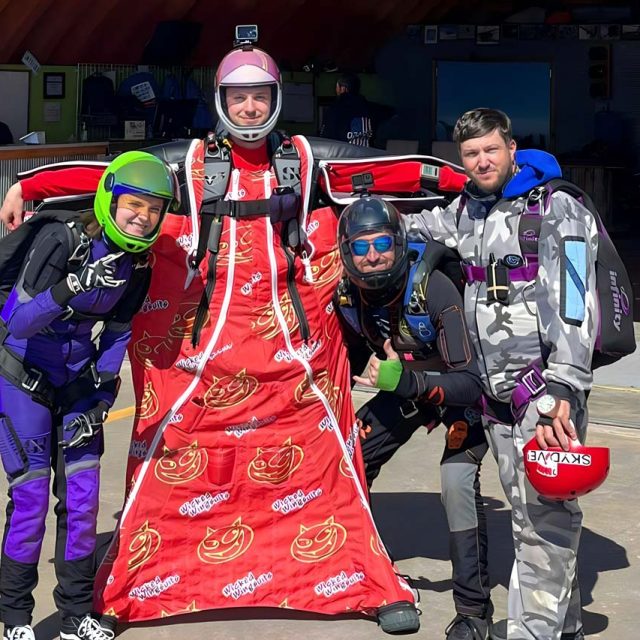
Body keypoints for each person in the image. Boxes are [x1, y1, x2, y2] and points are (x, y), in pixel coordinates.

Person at [0, 40, 422, 634]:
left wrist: (488, 179)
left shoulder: (303, 162)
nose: (249, 108)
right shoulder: (193, 163)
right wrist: (33, 184)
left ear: (275, 100)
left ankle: (361, 577)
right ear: (222, 101)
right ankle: (131, 585)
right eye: (238, 97)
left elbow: (389, 172)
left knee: (329, 459)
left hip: (292, 353)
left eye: (259, 96)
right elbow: (115, 174)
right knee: (164, 457)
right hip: (200, 353)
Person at [410, 108, 597, 640]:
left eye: (491, 149)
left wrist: (564, 384)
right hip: (496, 400)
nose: (482, 161)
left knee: (544, 522)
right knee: (534, 520)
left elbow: (578, 304)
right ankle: (564, 629)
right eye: (471, 154)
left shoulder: (558, 208)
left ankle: (531, 633)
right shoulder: (467, 211)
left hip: (547, 397)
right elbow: (412, 226)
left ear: (512, 147)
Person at [0, 151, 179, 640]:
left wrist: (101, 401)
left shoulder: (137, 265)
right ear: (109, 201)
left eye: (152, 209)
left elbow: (117, 334)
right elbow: (15, 321)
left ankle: (77, 614)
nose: (141, 216)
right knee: (32, 496)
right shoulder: (62, 240)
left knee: (81, 500)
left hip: (78, 380)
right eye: (132, 204)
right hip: (23, 375)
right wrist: (70, 287)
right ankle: (15, 617)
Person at [335, 196, 493, 640]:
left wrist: (409, 382)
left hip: (455, 394)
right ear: (346, 253)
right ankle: (354, 565)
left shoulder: (434, 286)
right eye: (361, 248)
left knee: (456, 482)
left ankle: (473, 613)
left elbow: (471, 381)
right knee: (347, 456)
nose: (374, 256)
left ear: (399, 242)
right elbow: (347, 357)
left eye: (382, 243)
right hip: (406, 385)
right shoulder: (349, 295)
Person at [320, 72, 373, 146]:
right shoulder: (370, 108)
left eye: (337, 87)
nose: (336, 90)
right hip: (369, 155)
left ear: (343, 88)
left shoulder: (334, 109)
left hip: (342, 155)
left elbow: (326, 137)